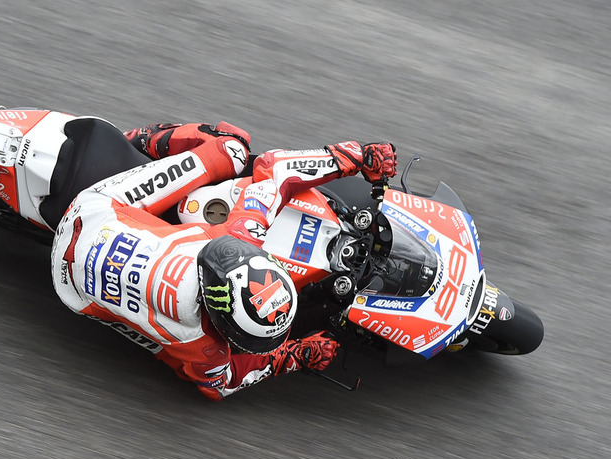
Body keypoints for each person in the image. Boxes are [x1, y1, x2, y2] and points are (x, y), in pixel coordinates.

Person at [51, 121, 397, 400]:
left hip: (94, 215)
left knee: (231, 147)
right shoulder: (200, 344)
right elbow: (220, 385)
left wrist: (355, 155)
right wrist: (294, 355)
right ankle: (141, 142)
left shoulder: (228, 247)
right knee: (165, 351)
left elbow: (272, 167)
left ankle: (144, 142)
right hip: (71, 289)